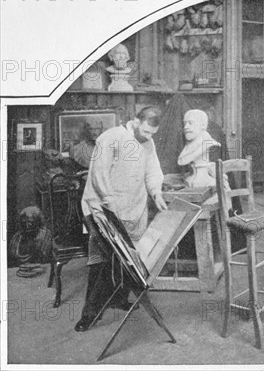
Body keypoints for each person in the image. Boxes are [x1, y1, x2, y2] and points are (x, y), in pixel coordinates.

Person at [75, 106, 168, 332]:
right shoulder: (112, 137)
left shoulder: (148, 142)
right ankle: (89, 314)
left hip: (133, 208)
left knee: (130, 258)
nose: (149, 137)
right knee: (102, 262)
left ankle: (118, 298)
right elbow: (99, 172)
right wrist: (109, 201)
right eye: (146, 131)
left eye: (153, 134)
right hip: (103, 208)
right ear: (135, 120)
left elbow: (152, 171)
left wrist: (156, 192)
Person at [177, 109, 221, 188]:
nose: (186, 127)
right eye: (185, 123)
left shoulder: (207, 142)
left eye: (190, 123)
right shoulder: (190, 144)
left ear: (203, 126)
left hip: (201, 178)